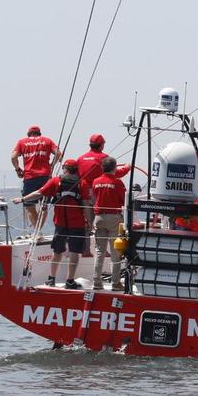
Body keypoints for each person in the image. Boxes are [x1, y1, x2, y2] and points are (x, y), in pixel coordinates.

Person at [13, 158, 90, 288]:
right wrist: (89, 221)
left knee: (57, 251)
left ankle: (52, 278)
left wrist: (22, 199)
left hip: (60, 222)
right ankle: (70, 281)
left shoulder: (55, 181)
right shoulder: (82, 183)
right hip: (77, 223)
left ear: (65, 169)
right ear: (76, 170)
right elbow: (86, 204)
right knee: (74, 252)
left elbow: (38, 193)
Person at [10, 125, 62, 232]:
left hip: (30, 177)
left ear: (29, 134)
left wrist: (18, 169)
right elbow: (59, 154)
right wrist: (52, 165)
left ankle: (37, 232)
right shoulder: (47, 141)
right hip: (45, 177)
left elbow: (13, 157)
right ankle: (38, 231)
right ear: (39, 133)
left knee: (29, 206)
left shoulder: (22, 142)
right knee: (44, 206)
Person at [91, 157, 126, 291]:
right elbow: (123, 200)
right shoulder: (117, 183)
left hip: (99, 218)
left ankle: (96, 282)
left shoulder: (95, 181)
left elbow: (94, 196)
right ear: (114, 167)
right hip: (114, 218)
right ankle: (116, 283)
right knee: (115, 252)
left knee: (100, 251)